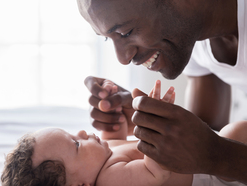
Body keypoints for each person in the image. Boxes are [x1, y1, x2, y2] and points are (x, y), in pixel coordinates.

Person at [76, 0, 247, 183]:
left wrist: (218, 156)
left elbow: (212, 152)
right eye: (106, 38)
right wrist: (149, 124)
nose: (123, 58)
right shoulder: (192, 35)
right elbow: (202, 145)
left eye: (126, 32)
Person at [1, 80, 247, 186]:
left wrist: (117, 119)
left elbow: (117, 141)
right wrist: (155, 120)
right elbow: (154, 171)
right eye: (76, 144)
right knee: (237, 131)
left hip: (207, 157)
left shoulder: (103, 161)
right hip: (215, 176)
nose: (82, 133)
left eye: (72, 133)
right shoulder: (111, 180)